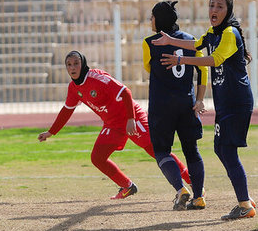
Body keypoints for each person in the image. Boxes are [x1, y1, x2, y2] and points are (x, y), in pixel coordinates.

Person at [152, 0, 256, 220]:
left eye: (219, 6)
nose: (214, 10)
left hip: (237, 101)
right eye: (211, 5)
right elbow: (196, 44)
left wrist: (181, 59)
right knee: (221, 149)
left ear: (228, 11)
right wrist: (171, 41)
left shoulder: (230, 33)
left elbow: (214, 59)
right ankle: (244, 196)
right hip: (226, 102)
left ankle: (245, 204)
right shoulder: (212, 33)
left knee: (227, 150)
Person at [38, 51, 191, 199]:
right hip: (113, 124)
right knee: (97, 158)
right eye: (69, 65)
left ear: (83, 63)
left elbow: (125, 93)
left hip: (132, 117)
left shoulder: (96, 78)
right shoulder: (73, 88)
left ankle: (193, 183)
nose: (72, 68)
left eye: (76, 63)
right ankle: (127, 186)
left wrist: (131, 120)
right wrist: (51, 132)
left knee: (157, 151)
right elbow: (67, 110)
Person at [142, 1, 208, 211]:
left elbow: (148, 67)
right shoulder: (191, 41)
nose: (150, 20)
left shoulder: (149, 42)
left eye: (152, 17)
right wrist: (199, 98)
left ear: (158, 19)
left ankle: (181, 189)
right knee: (192, 150)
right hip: (187, 103)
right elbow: (203, 70)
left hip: (162, 106)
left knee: (162, 151)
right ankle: (199, 197)